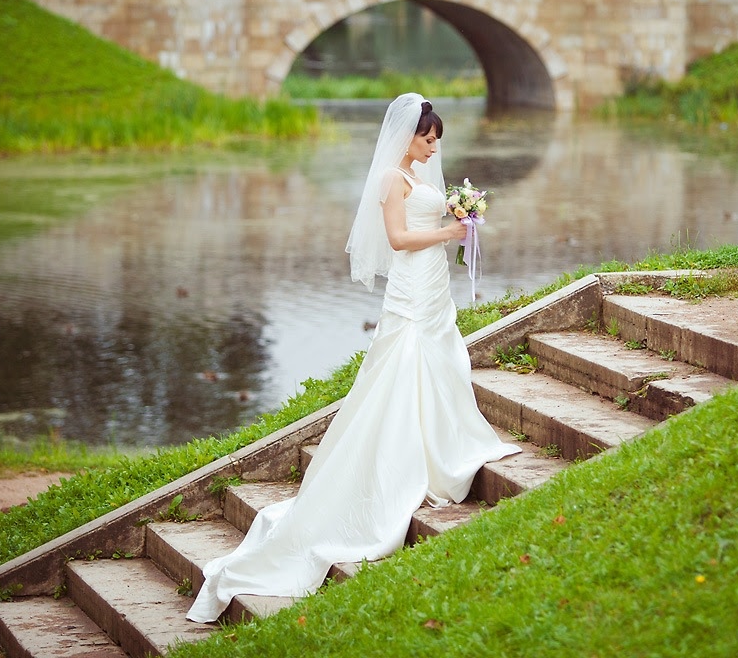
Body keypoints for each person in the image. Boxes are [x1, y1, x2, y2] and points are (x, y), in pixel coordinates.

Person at [186, 93, 521, 624]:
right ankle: (408, 459)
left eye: (438, 140)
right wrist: (450, 231)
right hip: (412, 287)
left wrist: (461, 214)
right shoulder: (392, 179)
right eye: (427, 139)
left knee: (445, 359)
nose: (434, 147)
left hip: (434, 287)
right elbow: (396, 238)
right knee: (405, 367)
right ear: (407, 136)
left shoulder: (425, 177)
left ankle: (449, 440)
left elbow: (431, 223)